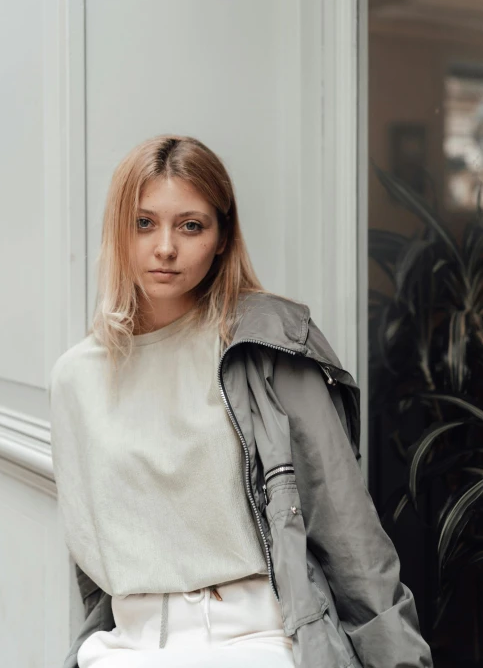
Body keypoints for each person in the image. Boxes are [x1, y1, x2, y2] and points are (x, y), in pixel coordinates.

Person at [49, 135, 433, 668]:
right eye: (143, 223)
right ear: (118, 229)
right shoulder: (75, 378)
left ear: (222, 237)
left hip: (254, 641)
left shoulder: (264, 349)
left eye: (191, 225)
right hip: (125, 646)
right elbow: (95, 564)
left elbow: (350, 538)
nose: (165, 247)